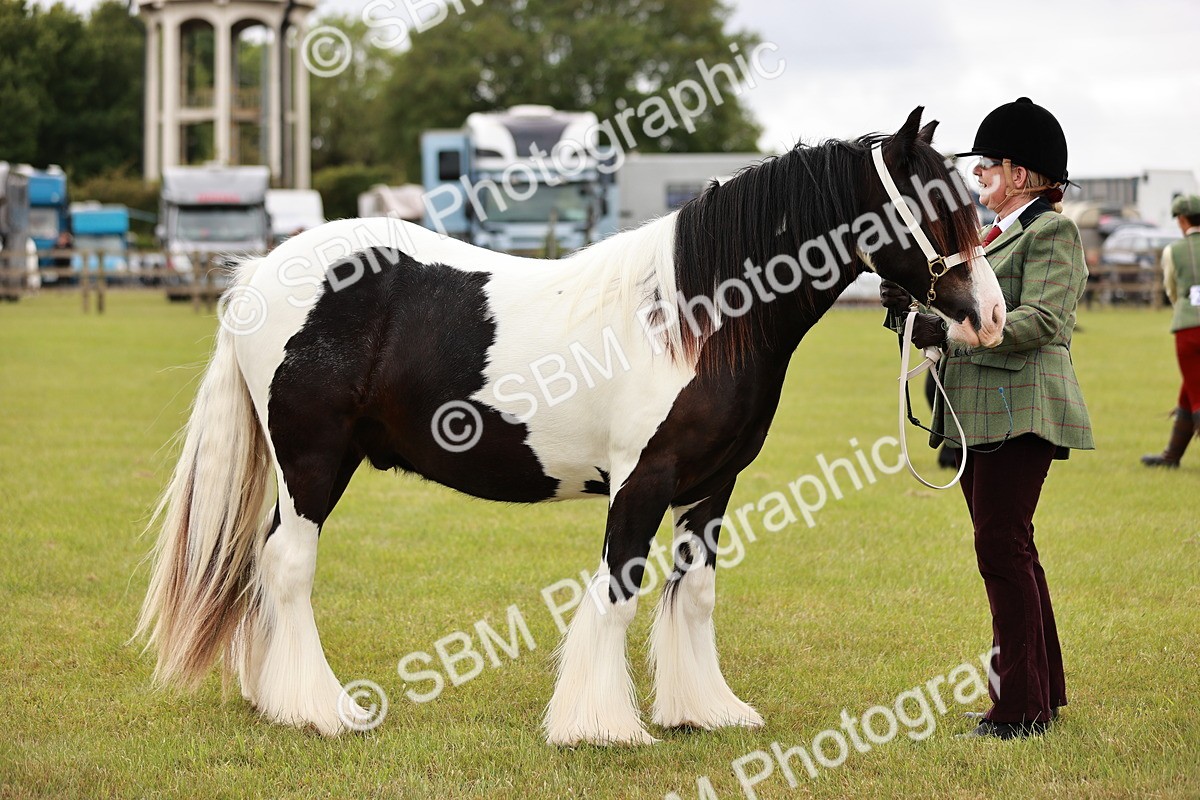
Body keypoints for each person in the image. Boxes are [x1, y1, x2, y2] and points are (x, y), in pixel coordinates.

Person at [880, 97, 1093, 740]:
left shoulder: (1052, 233)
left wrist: (959, 332)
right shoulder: (989, 238)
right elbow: (947, 314)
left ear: (1021, 174)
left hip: (1022, 409)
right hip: (979, 414)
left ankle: (1018, 707)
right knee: (1014, 549)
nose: (978, 178)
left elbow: (1045, 321)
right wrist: (908, 309)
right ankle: (1042, 691)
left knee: (1001, 549)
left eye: (988, 168)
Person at [1140, 194, 1200, 467]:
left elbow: (1172, 290)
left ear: (1182, 220)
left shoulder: (1174, 251)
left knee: (1196, 394)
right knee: (1189, 391)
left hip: (1188, 327)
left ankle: (1171, 456)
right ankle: (1171, 456)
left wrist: (1184, 308)